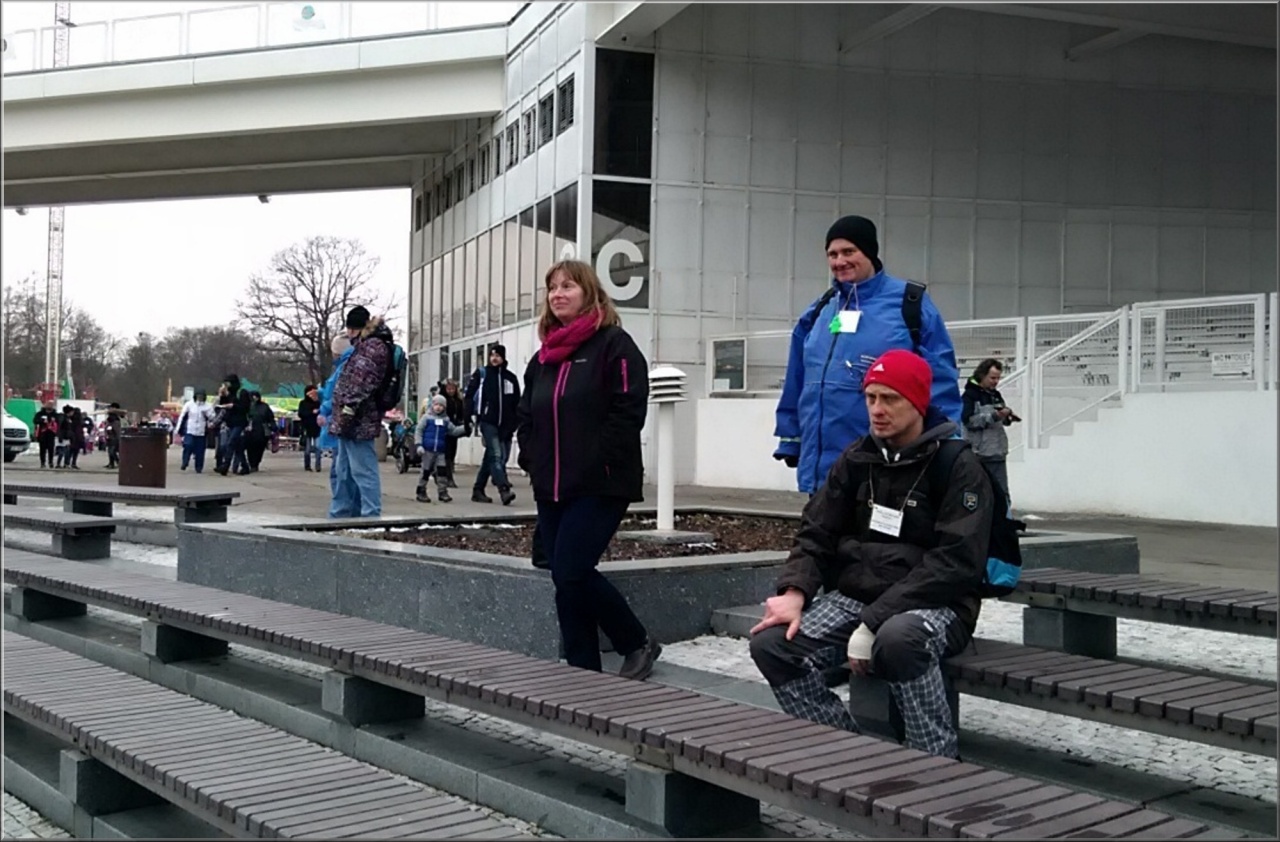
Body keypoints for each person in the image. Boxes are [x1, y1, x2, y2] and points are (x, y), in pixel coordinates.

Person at [749, 349, 994, 760]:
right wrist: (794, 592)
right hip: (858, 598)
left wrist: (873, 622)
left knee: (899, 640)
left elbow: (956, 562)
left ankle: (936, 762)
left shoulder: (957, 465)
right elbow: (816, 532)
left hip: (936, 603)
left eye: (890, 399)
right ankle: (847, 750)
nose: (877, 410)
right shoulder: (857, 458)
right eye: (871, 398)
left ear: (918, 402)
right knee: (773, 643)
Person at [515, 259, 661, 681]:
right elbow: (527, 415)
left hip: (601, 482)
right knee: (564, 577)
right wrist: (532, 458)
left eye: (568, 286)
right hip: (552, 484)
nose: (558, 294)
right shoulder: (543, 358)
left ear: (589, 292)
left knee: (572, 570)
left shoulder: (614, 345)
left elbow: (628, 409)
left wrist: (601, 459)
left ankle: (635, 641)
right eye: (552, 287)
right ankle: (582, 672)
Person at [774, 215, 962, 495]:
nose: (840, 261)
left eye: (849, 251)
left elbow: (940, 379)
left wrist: (947, 445)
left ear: (870, 252)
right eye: (832, 254)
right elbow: (797, 379)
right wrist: (791, 438)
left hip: (885, 467)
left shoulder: (910, 304)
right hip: (823, 472)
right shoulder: (821, 310)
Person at [328, 305, 394, 519]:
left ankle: (369, 516)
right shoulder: (371, 346)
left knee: (362, 471)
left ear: (352, 329)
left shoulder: (371, 349)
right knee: (344, 472)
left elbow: (359, 385)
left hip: (358, 420)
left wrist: (347, 410)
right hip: (353, 419)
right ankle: (343, 514)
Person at [466, 345, 521, 505]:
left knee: (490, 457)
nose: (494, 358)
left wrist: (514, 423)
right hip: (487, 421)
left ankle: (478, 490)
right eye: (492, 355)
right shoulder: (482, 375)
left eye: (497, 355)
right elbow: (469, 396)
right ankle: (504, 489)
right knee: (497, 455)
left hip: (505, 424)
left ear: (503, 357)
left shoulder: (510, 378)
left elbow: (517, 402)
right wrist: (468, 417)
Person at [961, 358, 1019, 509]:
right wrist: (995, 416)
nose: (996, 382)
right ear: (982, 375)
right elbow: (968, 421)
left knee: (1002, 493)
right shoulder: (969, 396)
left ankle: (1004, 520)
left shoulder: (996, 395)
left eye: (998, 378)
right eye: (992, 378)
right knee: (977, 493)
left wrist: (1007, 417)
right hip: (979, 454)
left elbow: (1000, 419)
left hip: (997, 452)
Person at [318, 332, 356, 497]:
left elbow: (337, 396)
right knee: (343, 467)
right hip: (339, 420)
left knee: (340, 470)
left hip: (338, 421)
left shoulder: (343, 369)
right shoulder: (348, 366)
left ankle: (342, 503)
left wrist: (324, 409)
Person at [415, 394, 467, 503]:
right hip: (427, 450)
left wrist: (465, 428)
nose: (438, 407)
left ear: (444, 407)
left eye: (441, 405)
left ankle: (442, 491)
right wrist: (419, 445)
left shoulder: (446, 420)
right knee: (425, 471)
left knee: (442, 472)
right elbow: (419, 431)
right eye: (436, 405)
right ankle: (421, 490)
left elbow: (453, 431)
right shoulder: (426, 418)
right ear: (432, 405)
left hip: (440, 451)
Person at [215, 374, 252, 476]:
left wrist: (233, 406)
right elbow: (223, 404)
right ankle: (245, 466)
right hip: (231, 422)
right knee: (237, 446)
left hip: (240, 422)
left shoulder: (242, 392)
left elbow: (245, 408)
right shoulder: (229, 393)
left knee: (231, 442)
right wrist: (222, 395)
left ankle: (225, 465)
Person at [176, 390, 215, 473]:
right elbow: (182, 416)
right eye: (198, 396)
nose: (200, 398)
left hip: (201, 431)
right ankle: (185, 462)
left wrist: (207, 414)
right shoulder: (189, 405)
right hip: (190, 429)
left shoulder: (208, 406)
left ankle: (199, 467)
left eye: (201, 396)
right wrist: (178, 429)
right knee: (188, 445)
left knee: (200, 450)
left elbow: (212, 418)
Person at [440, 378, 468, 488]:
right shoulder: (442, 400)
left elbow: (462, 414)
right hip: (444, 430)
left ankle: (447, 472)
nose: (451, 391)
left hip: (454, 429)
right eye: (449, 389)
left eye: (453, 389)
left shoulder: (458, 401)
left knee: (452, 453)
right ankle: (448, 477)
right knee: (446, 454)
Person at [244, 391, 275, 472]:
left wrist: (273, 427)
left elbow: (270, 418)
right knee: (250, 448)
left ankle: (256, 463)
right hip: (250, 430)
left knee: (260, 448)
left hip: (262, 430)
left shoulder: (264, 406)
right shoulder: (247, 406)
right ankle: (252, 464)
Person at [297, 384, 323, 472]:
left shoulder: (319, 403)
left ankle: (318, 466)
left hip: (317, 428)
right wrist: (311, 412)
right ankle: (307, 465)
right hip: (307, 428)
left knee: (318, 447)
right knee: (307, 449)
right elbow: (301, 414)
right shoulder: (303, 403)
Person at [32, 402, 59, 469]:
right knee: (42, 449)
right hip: (42, 434)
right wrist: (42, 421)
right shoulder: (40, 413)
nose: (50, 406)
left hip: (51, 434)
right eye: (48, 405)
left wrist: (54, 422)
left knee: (51, 449)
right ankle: (43, 463)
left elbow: (59, 422)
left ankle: (50, 462)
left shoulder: (55, 414)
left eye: (51, 405)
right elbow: (35, 421)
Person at [103, 403, 123, 469]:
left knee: (112, 451)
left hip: (114, 438)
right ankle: (111, 463)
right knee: (110, 451)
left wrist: (118, 439)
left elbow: (117, 430)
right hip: (110, 437)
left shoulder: (116, 419)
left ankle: (117, 462)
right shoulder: (109, 419)